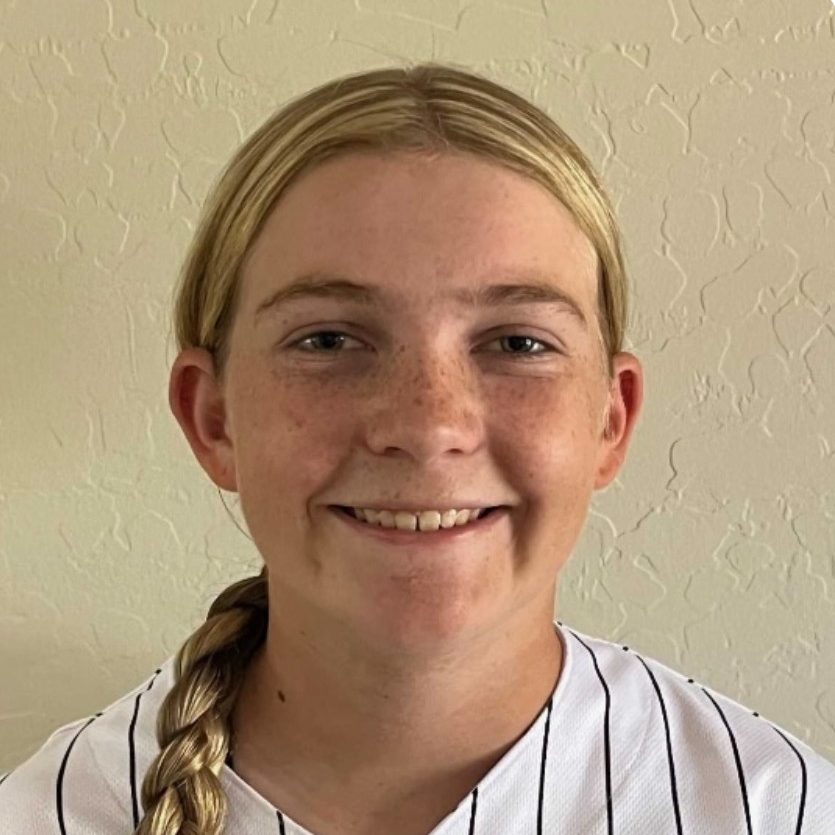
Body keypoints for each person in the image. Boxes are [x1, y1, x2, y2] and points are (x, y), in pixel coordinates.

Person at [1, 61, 833, 835]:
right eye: (328, 340)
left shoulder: (772, 807)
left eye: (516, 343)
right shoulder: (49, 812)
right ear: (212, 416)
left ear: (609, 420)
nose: (429, 424)